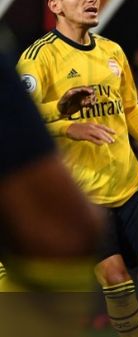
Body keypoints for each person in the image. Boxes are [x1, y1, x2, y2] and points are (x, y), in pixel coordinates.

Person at [16, 0, 138, 337]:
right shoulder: (38, 58)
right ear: (56, 6)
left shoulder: (112, 51)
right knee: (115, 278)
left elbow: (129, 107)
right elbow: (19, 118)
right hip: (82, 196)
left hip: (128, 185)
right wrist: (66, 120)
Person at [0, 51, 101, 337]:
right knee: (67, 232)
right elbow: (68, 233)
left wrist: (59, 111)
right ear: (56, 6)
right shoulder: (37, 56)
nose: (90, 1)